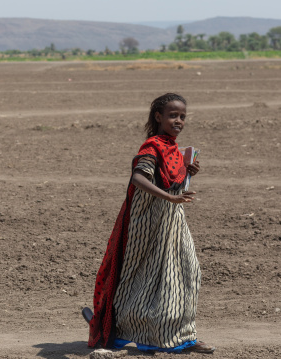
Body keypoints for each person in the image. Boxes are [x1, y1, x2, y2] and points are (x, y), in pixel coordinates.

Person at [82, 93, 215, 354]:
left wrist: (188, 173)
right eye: (173, 115)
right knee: (152, 280)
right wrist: (170, 197)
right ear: (158, 117)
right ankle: (148, 335)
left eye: (183, 117)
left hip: (173, 222)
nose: (179, 121)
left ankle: (182, 334)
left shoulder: (173, 149)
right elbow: (138, 178)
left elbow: (171, 180)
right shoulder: (153, 146)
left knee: (189, 274)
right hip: (148, 225)